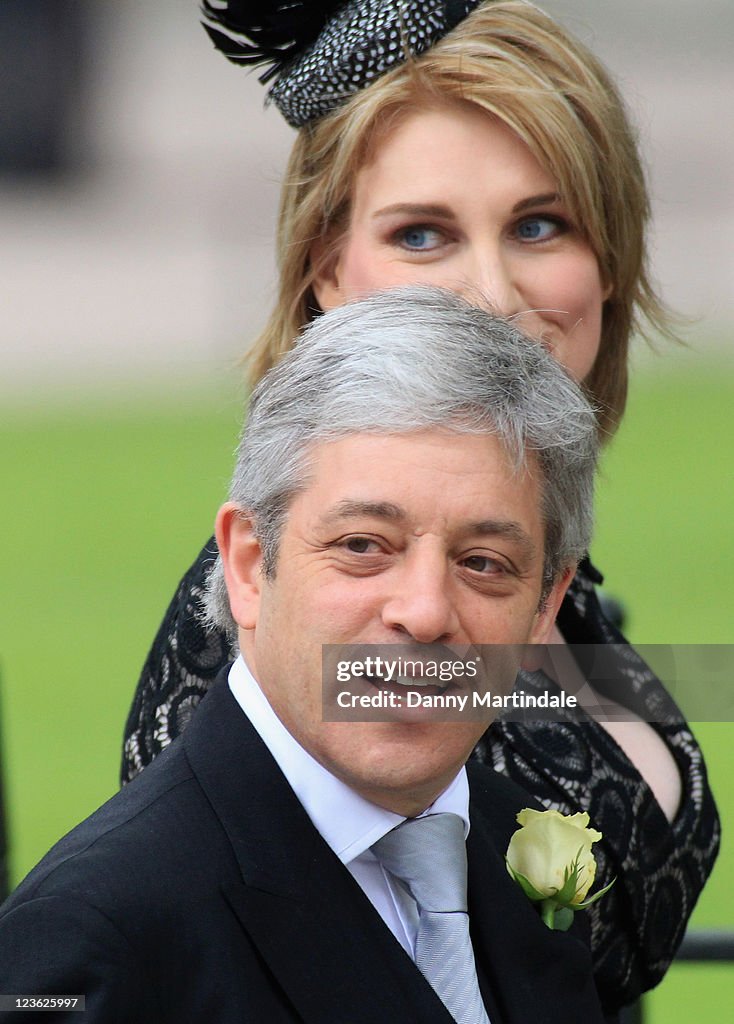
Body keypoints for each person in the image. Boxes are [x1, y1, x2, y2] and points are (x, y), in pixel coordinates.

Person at [122, 1, 719, 1013]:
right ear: (325, 273)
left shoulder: (540, 566)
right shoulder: (275, 628)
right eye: (421, 234)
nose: (490, 292)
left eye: (540, 225)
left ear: (608, 262)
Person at [0, 289, 607, 1024]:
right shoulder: (90, 941)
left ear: (545, 605)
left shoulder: (521, 848)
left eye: (483, 562)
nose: (423, 612)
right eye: (362, 547)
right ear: (250, 565)